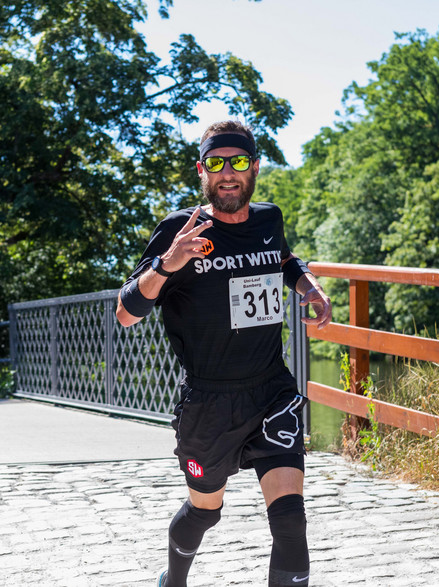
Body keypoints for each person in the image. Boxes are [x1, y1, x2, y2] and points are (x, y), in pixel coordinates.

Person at [116, 120, 332, 587]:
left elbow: (282, 257)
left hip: (271, 390)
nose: (227, 173)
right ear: (202, 170)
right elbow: (126, 313)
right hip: (208, 405)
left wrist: (307, 283)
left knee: (291, 520)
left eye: (238, 162)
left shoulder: (269, 219)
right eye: (216, 163)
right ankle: (172, 580)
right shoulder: (181, 230)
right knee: (204, 510)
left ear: (255, 167)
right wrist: (165, 264)